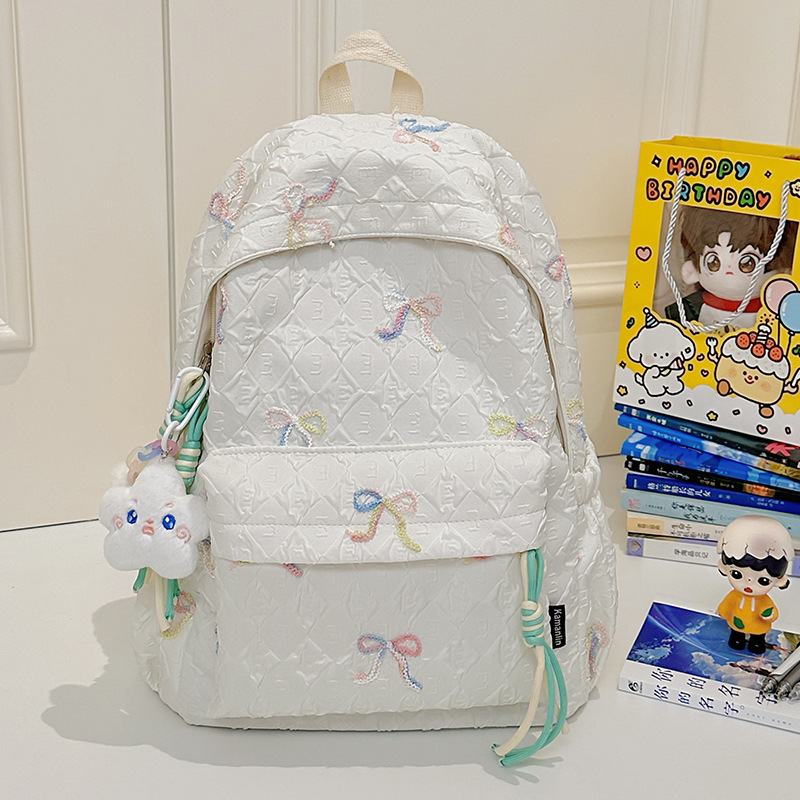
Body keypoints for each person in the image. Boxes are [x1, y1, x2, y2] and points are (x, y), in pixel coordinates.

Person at [664, 208, 795, 329]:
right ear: (691, 272)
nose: (729, 271)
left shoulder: (776, 311)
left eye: (747, 264)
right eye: (713, 263)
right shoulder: (689, 309)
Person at [717, 515, 793, 654]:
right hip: (736, 623)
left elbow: (771, 611)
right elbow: (727, 605)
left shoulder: (763, 600)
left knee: (757, 638)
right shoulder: (735, 595)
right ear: (724, 568)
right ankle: (737, 638)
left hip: (758, 626)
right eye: (737, 574)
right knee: (736, 635)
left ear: (779, 580)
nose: (748, 584)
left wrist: (769, 615)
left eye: (763, 581)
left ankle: (757, 642)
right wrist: (723, 611)